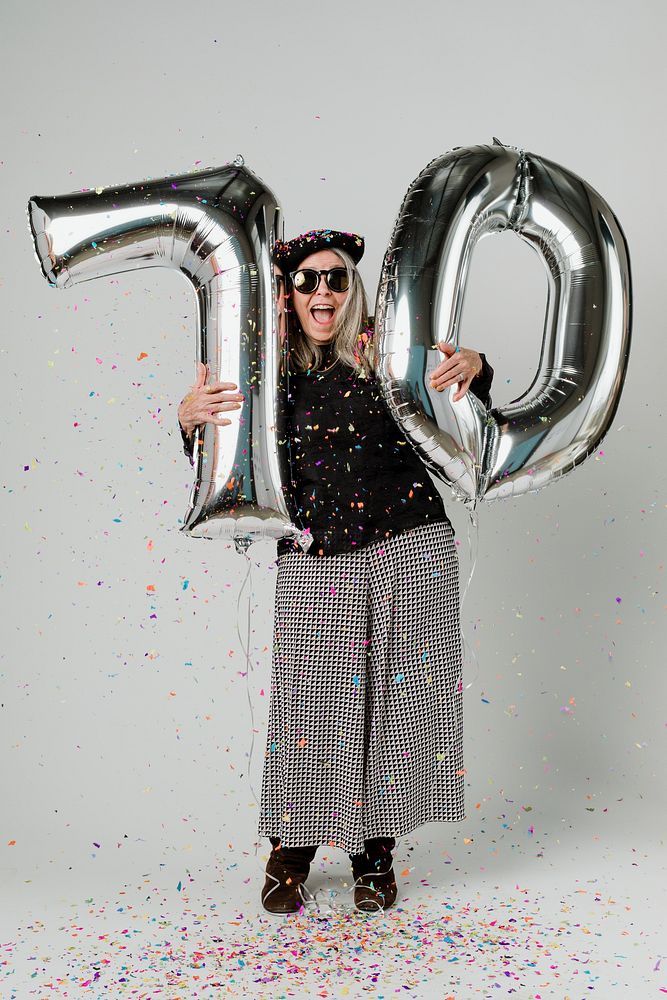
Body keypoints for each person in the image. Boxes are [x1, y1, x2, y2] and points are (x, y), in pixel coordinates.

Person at [177, 229, 494, 914]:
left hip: (408, 540)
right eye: (308, 281)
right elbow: (226, 460)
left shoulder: (386, 352)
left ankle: (372, 851)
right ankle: (290, 846)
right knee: (310, 703)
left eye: (336, 278)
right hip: (316, 551)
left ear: (352, 288)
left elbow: (461, 400)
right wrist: (190, 422)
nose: (324, 291)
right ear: (287, 296)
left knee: (394, 703)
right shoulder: (261, 369)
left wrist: (475, 365)